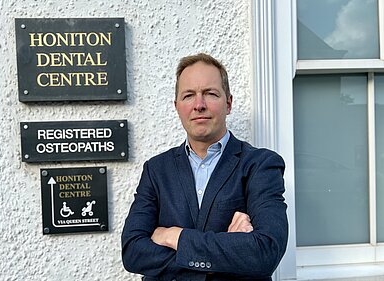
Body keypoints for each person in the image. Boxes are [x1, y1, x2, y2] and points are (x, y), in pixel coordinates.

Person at [121, 53, 288, 281]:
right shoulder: (156, 170)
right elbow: (133, 252)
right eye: (189, 95)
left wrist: (174, 236)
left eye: (210, 94)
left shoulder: (260, 165)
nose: (199, 105)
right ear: (177, 106)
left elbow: (266, 251)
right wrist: (227, 254)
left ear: (228, 103)